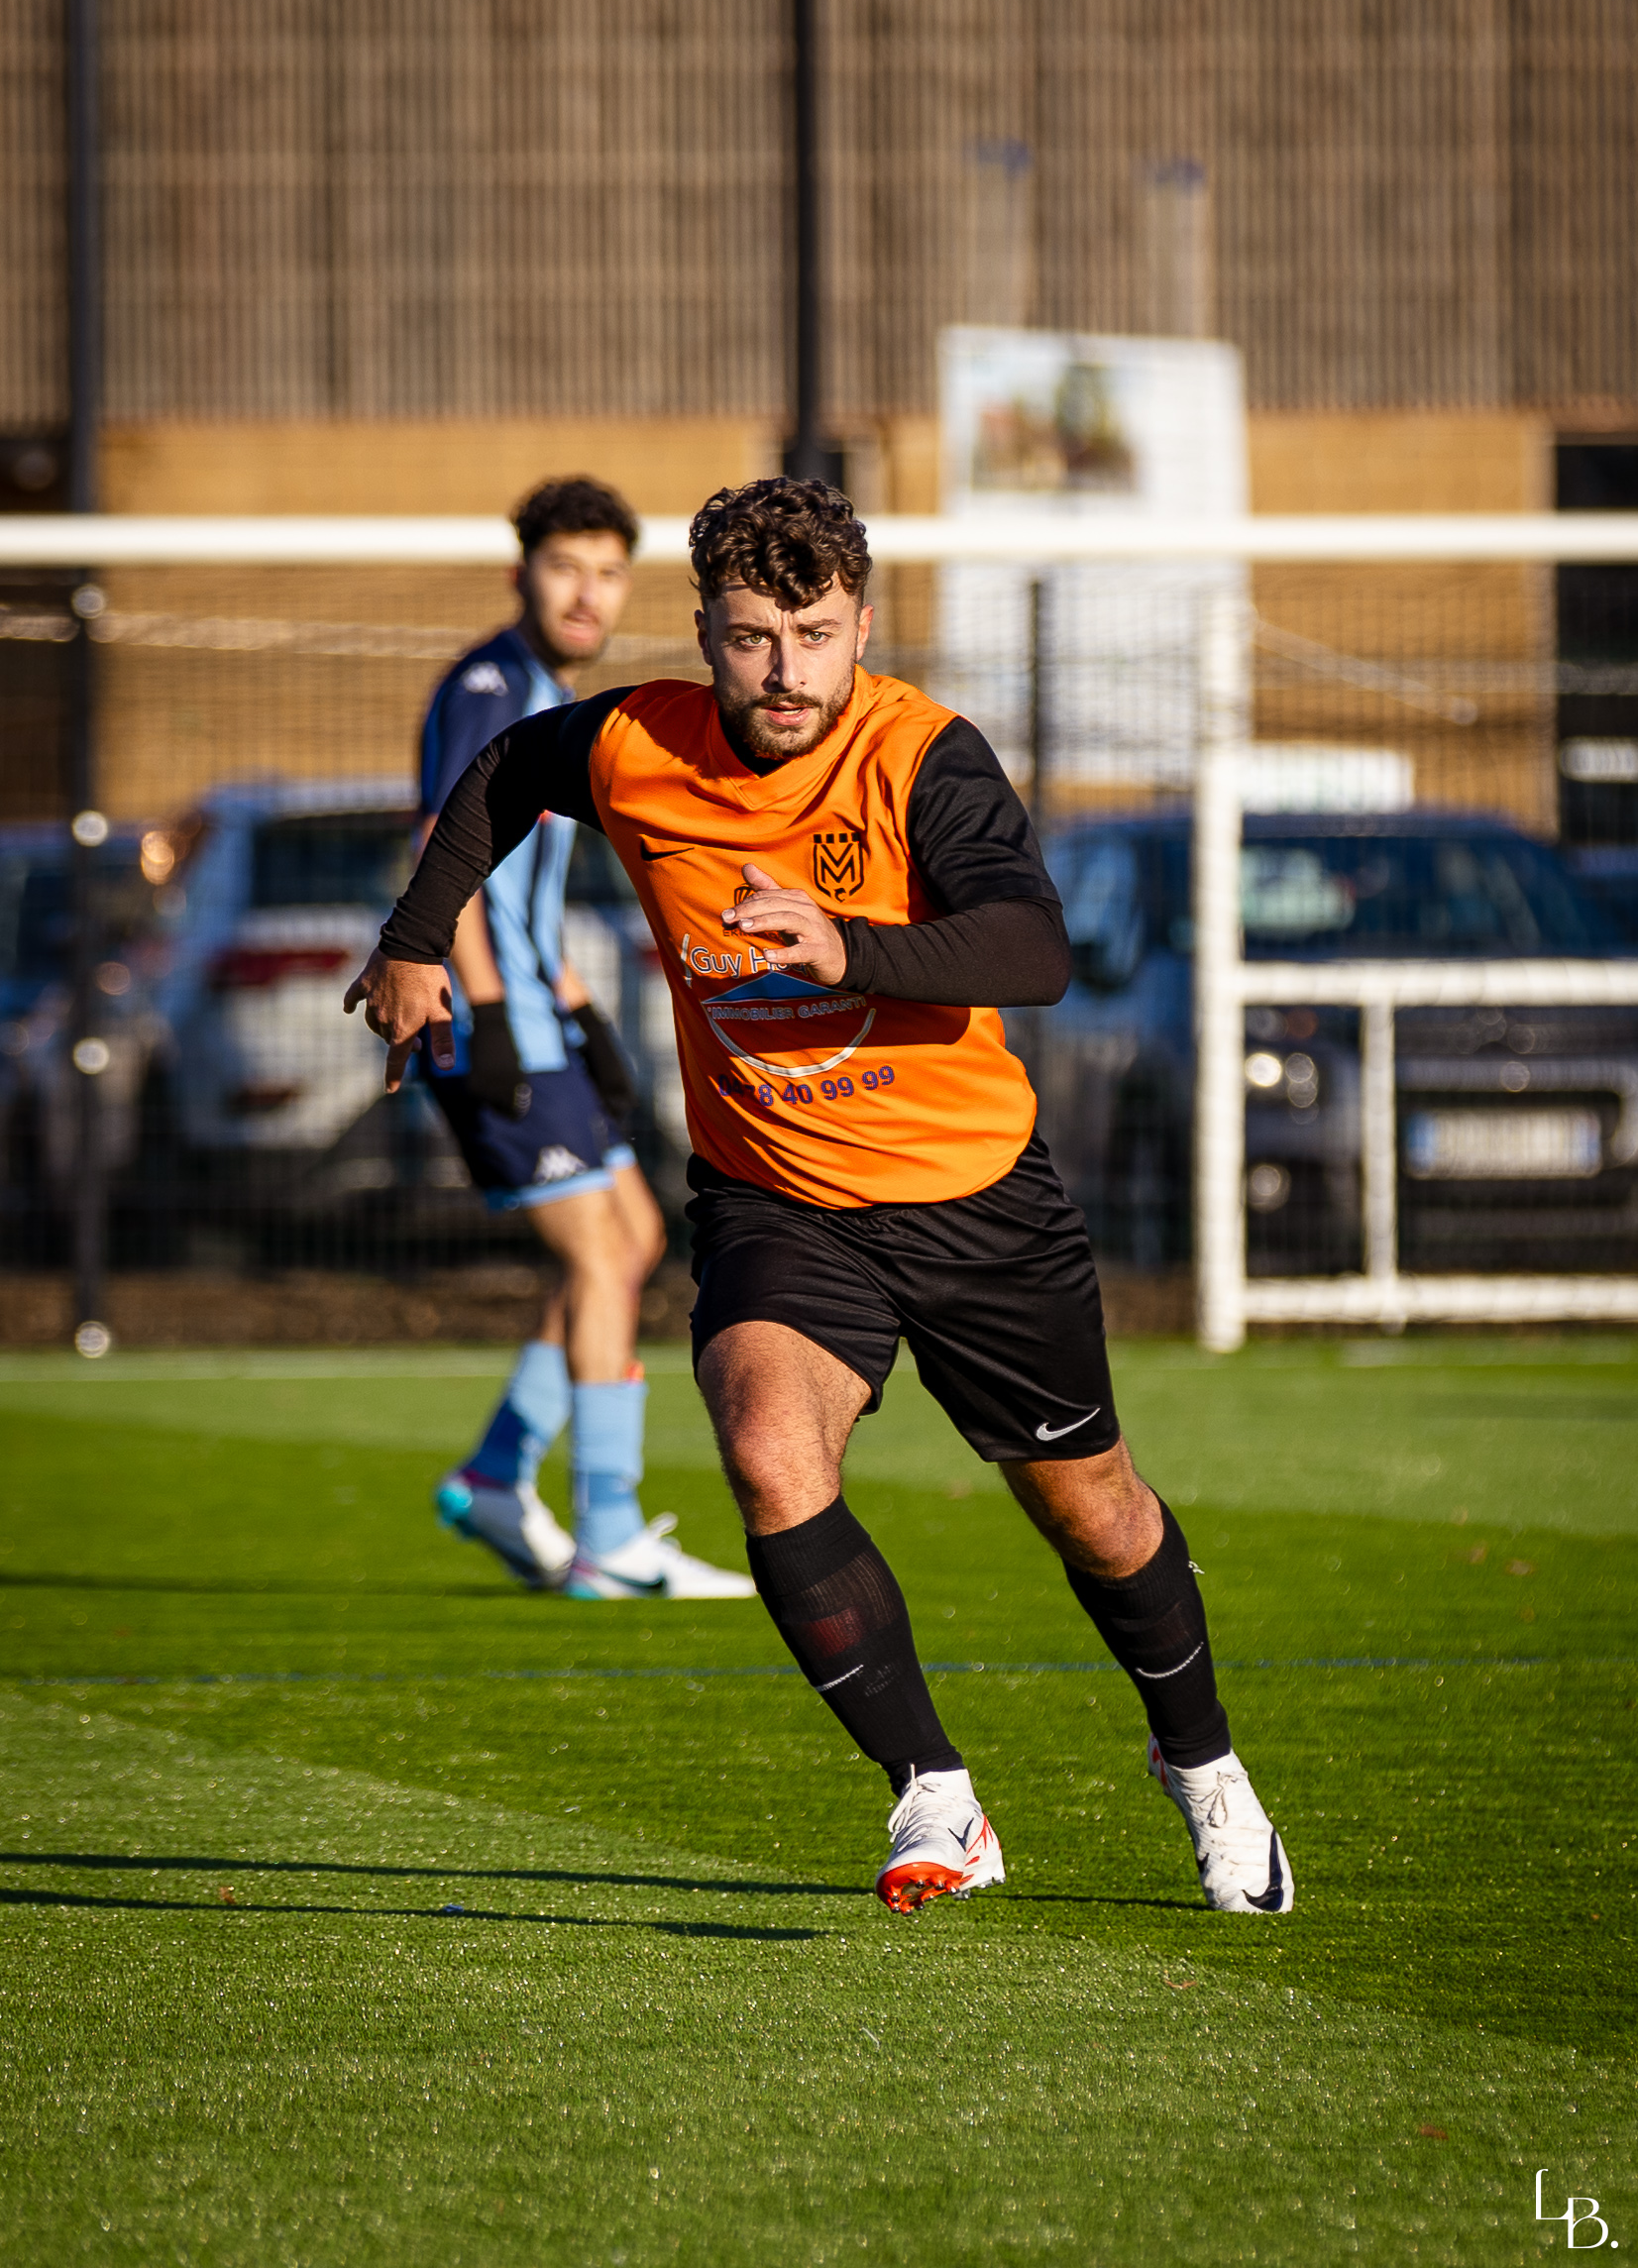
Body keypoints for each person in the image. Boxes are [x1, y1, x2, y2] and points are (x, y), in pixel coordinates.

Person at [349, 477, 1292, 1915]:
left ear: (859, 623)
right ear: (704, 632)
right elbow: (499, 776)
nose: (784, 672)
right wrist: (419, 936)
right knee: (769, 1456)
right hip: (777, 1199)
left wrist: (851, 951)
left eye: (814, 633)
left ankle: (1205, 1767)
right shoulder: (633, 741)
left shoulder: (926, 757)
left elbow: (1033, 951)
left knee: (1091, 1511)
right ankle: (936, 1797)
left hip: (973, 1197)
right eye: (749, 638)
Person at [416, 474, 752, 1602]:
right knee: (602, 1254)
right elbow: (443, 853)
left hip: (530, 1012)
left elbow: (527, 883)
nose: (587, 590)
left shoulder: (547, 691)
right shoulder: (486, 685)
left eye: (608, 571)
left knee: (636, 1232)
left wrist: (576, 1006)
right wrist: (497, 1014)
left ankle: (501, 1473)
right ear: (523, 574)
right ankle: (608, 1529)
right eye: (566, 566)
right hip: (480, 1020)